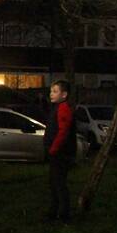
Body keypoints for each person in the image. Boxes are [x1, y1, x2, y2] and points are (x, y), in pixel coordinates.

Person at [43, 79, 76, 222]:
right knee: (54, 183)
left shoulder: (63, 108)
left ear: (64, 94)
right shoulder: (56, 108)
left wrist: (54, 148)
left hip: (61, 153)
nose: (51, 94)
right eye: (51, 91)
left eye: (55, 91)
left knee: (59, 184)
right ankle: (54, 212)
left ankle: (64, 215)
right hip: (56, 152)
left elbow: (63, 131)